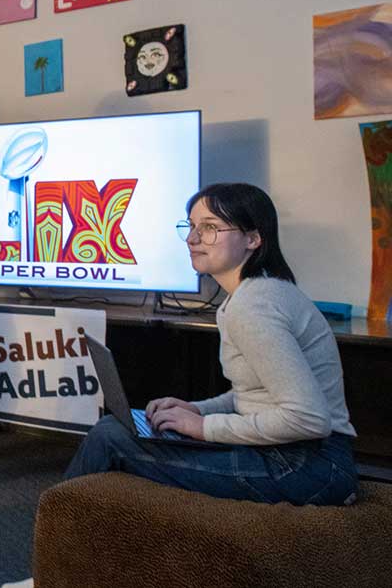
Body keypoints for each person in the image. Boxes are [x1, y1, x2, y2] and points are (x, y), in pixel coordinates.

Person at [65, 183, 358, 506]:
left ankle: (56, 541)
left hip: (308, 465)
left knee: (110, 437)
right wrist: (196, 410)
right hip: (299, 454)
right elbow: (259, 393)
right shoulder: (249, 296)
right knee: (116, 427)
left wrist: (204, 427)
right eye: (190, 227)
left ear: (253, 239)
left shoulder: (253, 307)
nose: (192, 239)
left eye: (209, 228)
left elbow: (308, 419)